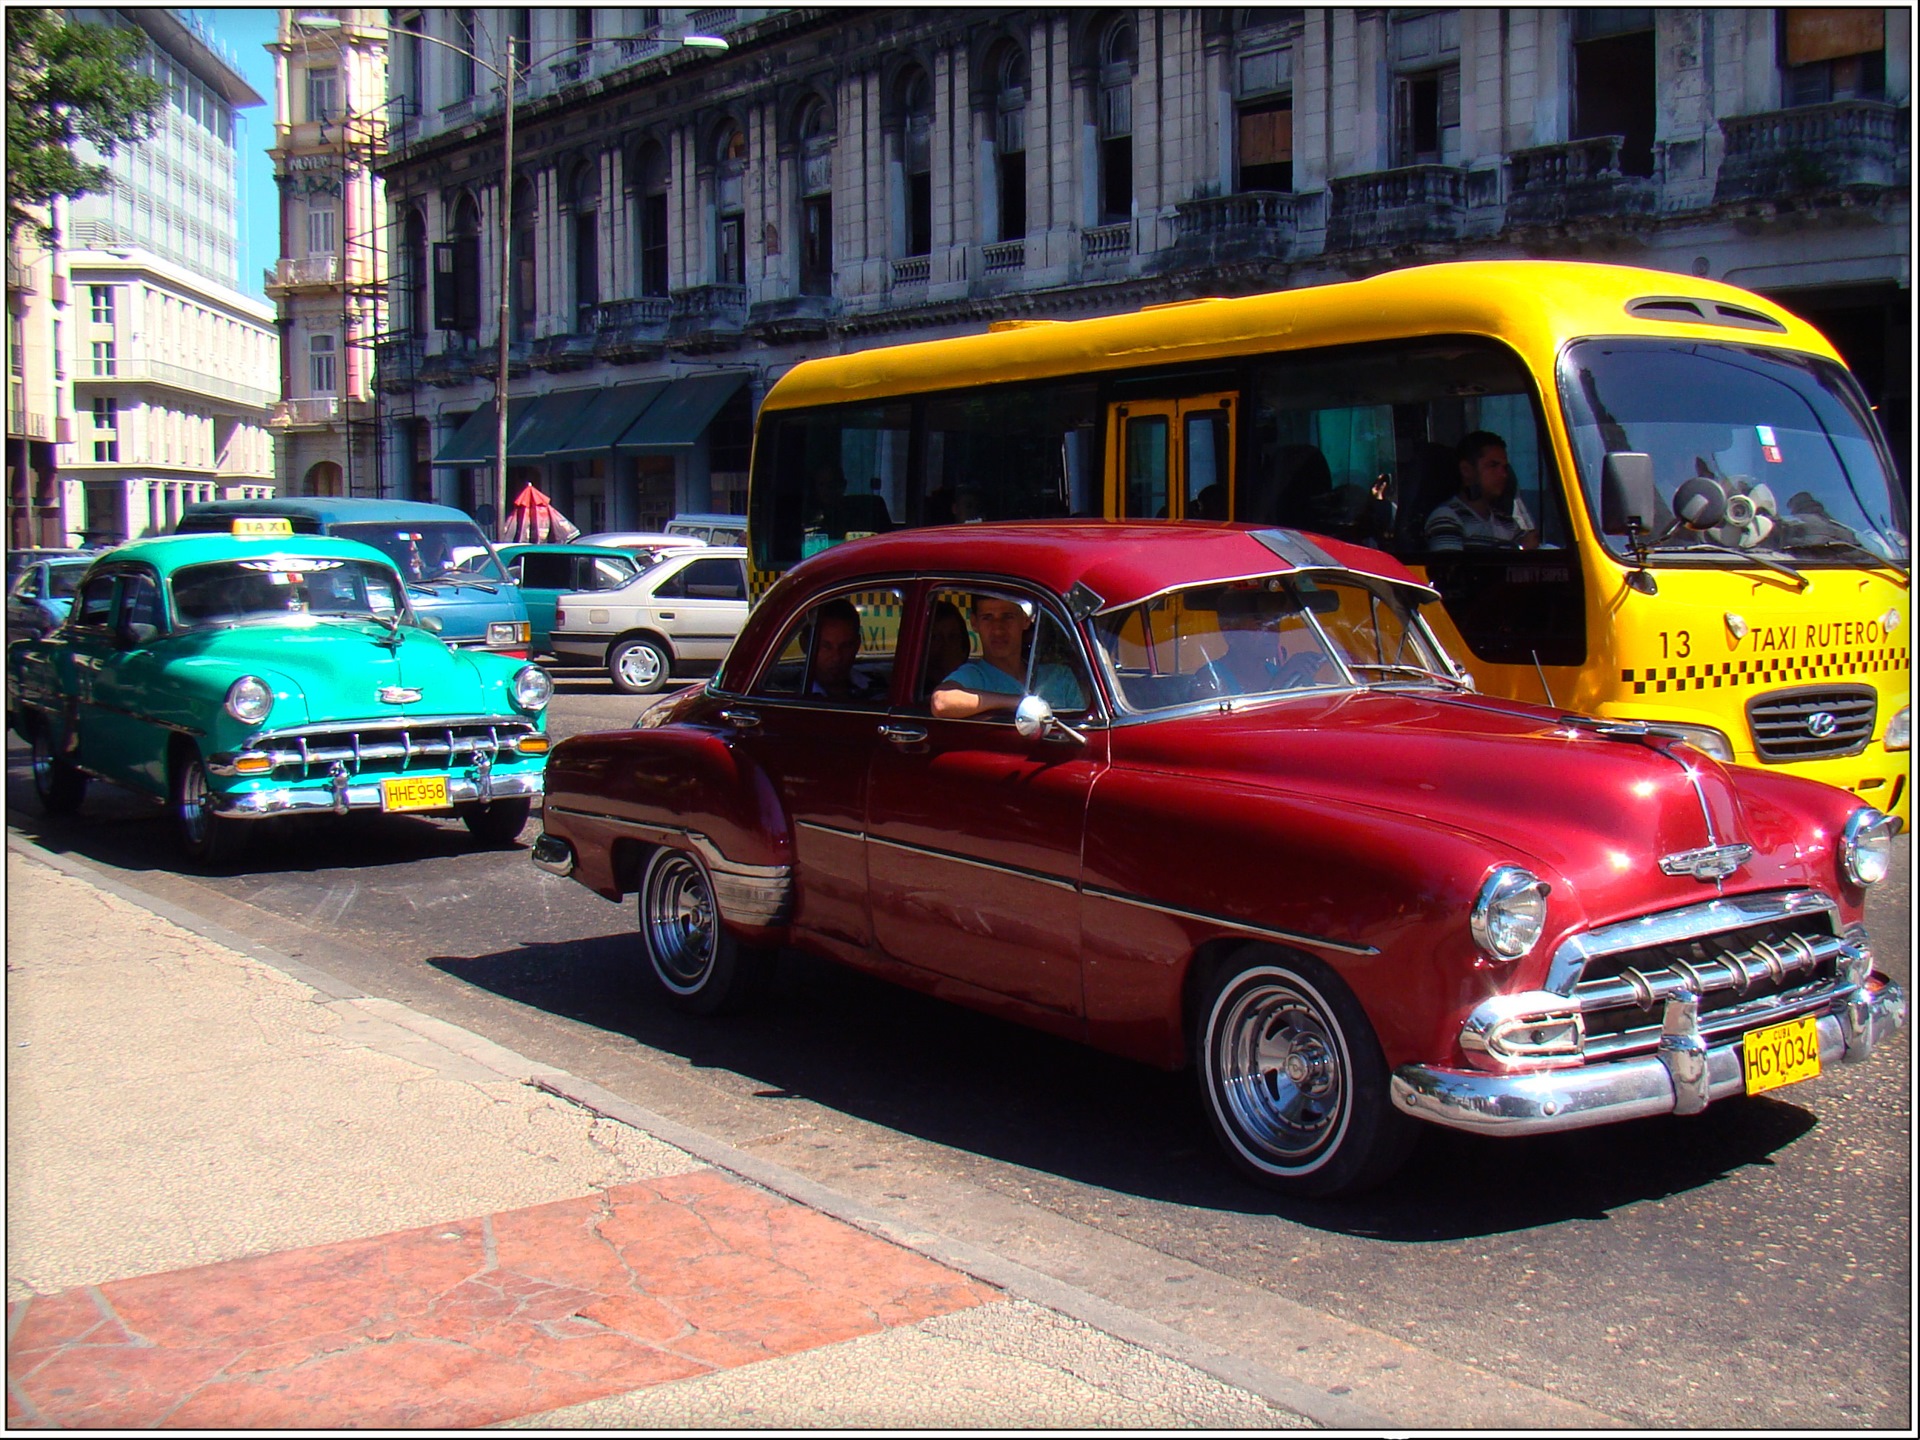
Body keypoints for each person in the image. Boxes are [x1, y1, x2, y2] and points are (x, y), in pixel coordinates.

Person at [931, 595, 1083, 718]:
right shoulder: (973, 676)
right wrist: (1019, 703)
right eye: (987, 617)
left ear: (1025, 620)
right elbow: (941, 702)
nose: (998, 629)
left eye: (1007, 616)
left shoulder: (1060, 677)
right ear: (974, 623)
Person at [1424, 431, 1539, 551]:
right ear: (1466, 470)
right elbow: (1452, 568)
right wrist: (1520, 548)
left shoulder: (1507, 523)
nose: (1504, 474)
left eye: (1505, 467)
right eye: (1493, 465)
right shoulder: (1447, 517)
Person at [806, 598, 880, 702]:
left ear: (857, 645)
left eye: (845, 646)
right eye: (826, 646)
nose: (836, 657)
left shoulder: (877, 688)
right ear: (806, 645)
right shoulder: (788, 694)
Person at [921, 598, 971, 695]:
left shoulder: (976, 683)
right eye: (935, 637)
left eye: (952, 637)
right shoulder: (915, 690)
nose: (945, 645)